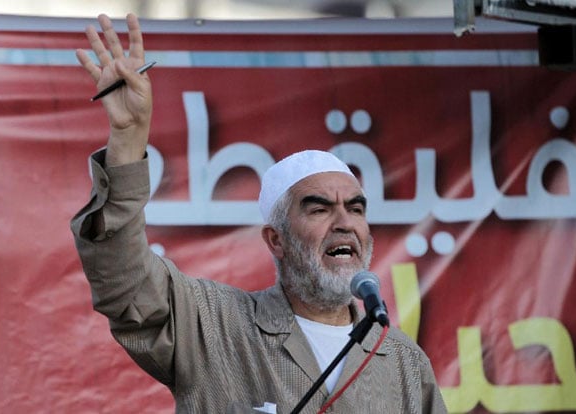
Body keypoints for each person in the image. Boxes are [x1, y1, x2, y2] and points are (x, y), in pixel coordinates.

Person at [70, 13, 447, 414]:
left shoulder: (405, 364)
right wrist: (127, 143)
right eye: (319, 208)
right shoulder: (214, 327)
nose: (345, 223)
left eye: (355, 208)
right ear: (276, 239)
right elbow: (124, 283)